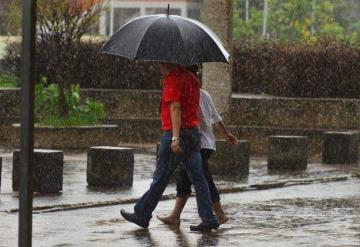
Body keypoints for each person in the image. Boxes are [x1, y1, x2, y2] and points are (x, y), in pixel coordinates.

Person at [120, 63, 219, 232]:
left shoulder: (174, 78)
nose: (159, 65)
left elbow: (175, 107)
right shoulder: (193, 78)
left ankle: (142, 214)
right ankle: (209, 217)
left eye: (161, 61)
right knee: (198, 178)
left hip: (176, 134)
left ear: (168, 62)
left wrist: (175, 137)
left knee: (161, 177)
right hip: (193, 133)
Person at [157, 64, 238, 225]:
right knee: (186, 178)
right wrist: (226, 134)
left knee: (203, 179)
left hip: (197, 143)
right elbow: (216, 118)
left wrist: (176, 136)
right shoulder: (204, 94)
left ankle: (219, 215)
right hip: (206, 143)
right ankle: (176, 215)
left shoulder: (190, 95)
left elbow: (182, 113)